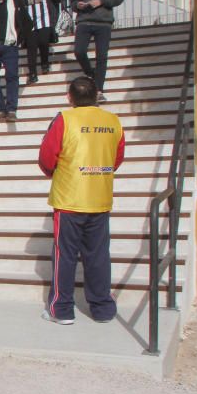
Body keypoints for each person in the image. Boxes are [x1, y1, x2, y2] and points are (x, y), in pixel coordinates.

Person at [38, 77, 126, 325]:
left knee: (64, 255)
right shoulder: (113, 121)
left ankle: (62, 310)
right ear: (97, 95)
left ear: (69, 97)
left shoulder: (64, 119)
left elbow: (47, 156)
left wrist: (56, 173)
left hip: (69, 199)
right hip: (99, 196)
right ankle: (102, 309)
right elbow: (117, 158)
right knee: (98, 255)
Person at [70, 0, 125, 103]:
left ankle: (99, 90)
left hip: (103, 21)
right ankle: (91, 74)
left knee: (101, 56)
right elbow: (73, 1)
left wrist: (101, 1)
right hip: (84, 20)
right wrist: (78, 5)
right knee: (79, 51)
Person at [13, 0, 62, 83]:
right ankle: (32, 73)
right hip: (29, 20)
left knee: (44, 41)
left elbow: (57, 0)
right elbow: (18, 1)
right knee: (31, 46)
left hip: (45, 17)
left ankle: (44, 63)